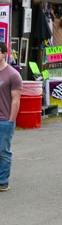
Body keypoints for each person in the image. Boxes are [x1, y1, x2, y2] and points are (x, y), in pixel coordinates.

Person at [0, 41, 23, 192]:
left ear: (3, 54)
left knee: (3, 151)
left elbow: (16, 99)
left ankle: (3, 180)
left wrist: (11, 120)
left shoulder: (13, 75)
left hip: (4, 119)